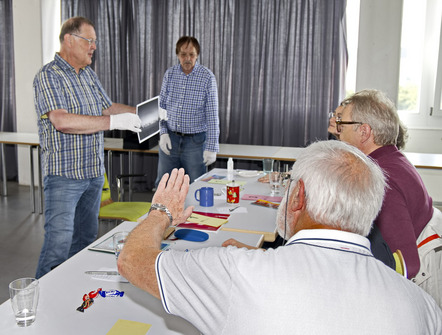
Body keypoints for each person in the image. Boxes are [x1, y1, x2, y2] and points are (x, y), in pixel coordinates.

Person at [118, 141, 442, 334]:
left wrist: (162, 212)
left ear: (298, 195)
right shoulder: (423, 308)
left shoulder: (239, 273)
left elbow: (132, 260)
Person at [33, 16, 141, 278]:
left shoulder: (88, 75)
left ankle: (69, 294)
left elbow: (107, 108)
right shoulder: (48, 76)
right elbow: (61, 121)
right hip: (64, 177)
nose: (94, 46)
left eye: (95, 42)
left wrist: (143, 112)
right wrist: (114, 121)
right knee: (58, 246)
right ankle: (41, 304)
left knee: (84, 241)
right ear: (69, 40)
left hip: (93, 174)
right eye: (89, 41)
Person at [328, 89, 433, 279]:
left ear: (364, 132)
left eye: (342, 123)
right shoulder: (393, 159)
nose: (338, 130)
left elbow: (406, 264)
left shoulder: (382, 179)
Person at [156, 36, 219, 185]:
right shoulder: (170, 75)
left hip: (195, 142)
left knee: (196, 185)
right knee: (164, 184)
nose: (187, 58)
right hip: (170, 138)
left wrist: (212, 147)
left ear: (197, 55)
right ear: (178, 55)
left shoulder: (207, 77)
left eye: (191, 54)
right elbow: (161, 107)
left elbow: (212, 115)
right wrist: (163, 133)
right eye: (183, 54)